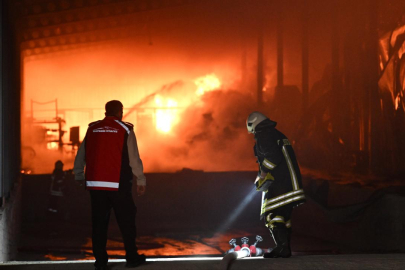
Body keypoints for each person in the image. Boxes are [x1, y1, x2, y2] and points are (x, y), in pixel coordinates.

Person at [74, 100, 146, 270]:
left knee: (99, 224)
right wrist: (141, 180)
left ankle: (100, 262)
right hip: (118, 185)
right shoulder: (125, 129)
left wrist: (78, 175)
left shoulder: (92, 129)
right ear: (120, 111)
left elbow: (81, 154)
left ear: (105, 111)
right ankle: (132, 257)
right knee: (127, 221)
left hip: (95, 186)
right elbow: (134, 159)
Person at [246, 111, 306, 258]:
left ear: (253, 124)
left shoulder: (264, 135)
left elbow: (273, 157)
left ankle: (282, 248)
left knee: (272, 214)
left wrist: (262, 174)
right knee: (283, 217)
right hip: (291, 183)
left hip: (281, 184)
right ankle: (284, 248)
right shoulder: (276, 134)